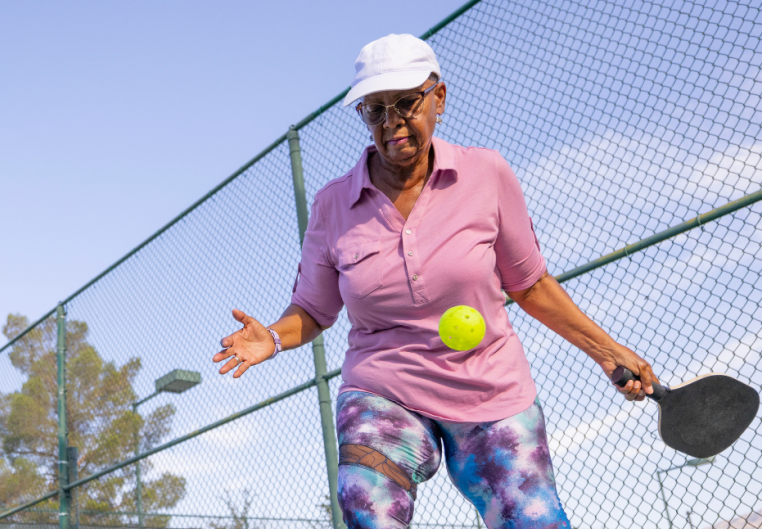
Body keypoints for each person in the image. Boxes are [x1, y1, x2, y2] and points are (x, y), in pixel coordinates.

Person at [212, 34, 659, 529]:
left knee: (534, 521)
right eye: (374, 110)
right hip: (383, 389)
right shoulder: (332, 205)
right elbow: (315, 311)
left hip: (489, 386)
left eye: (405, 102)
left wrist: (607, 350)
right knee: (366, 504)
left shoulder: (486, 174)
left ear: (438, 99)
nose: (392, 122)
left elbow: (530, 285)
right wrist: (272, 337)